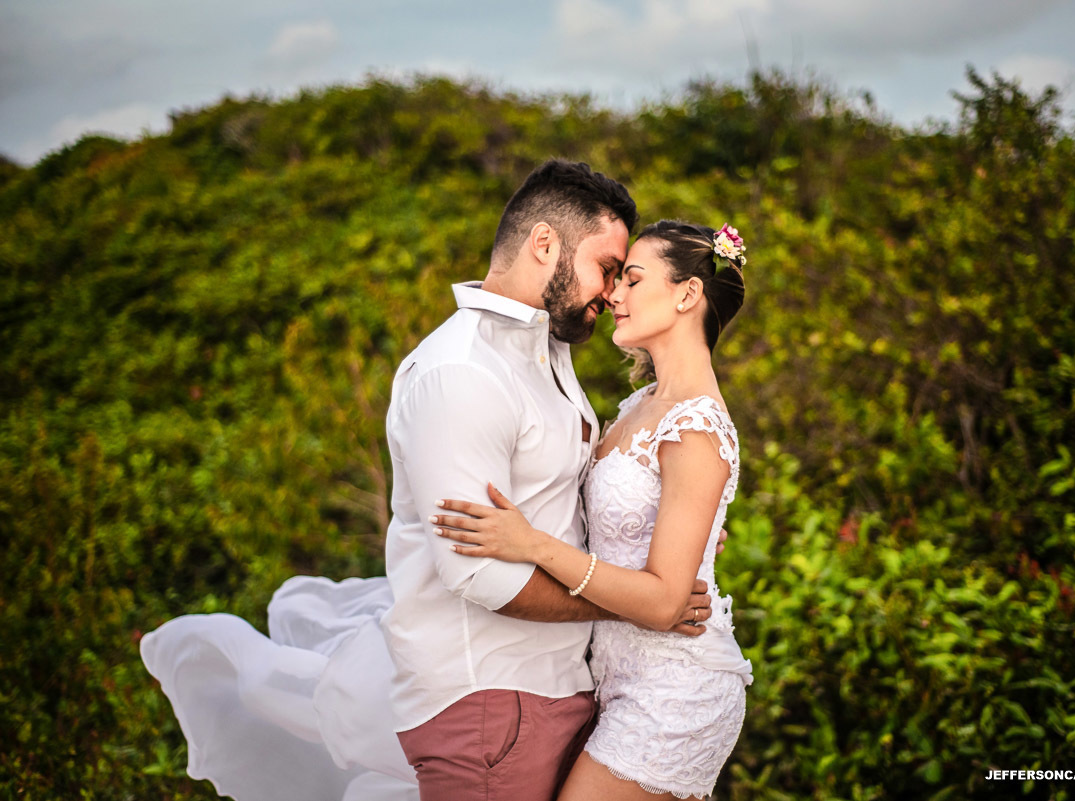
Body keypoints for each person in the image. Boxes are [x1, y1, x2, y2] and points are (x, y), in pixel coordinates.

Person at [139, 161, 719, 801]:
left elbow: (586, 504)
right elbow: (478, 573)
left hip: (562, 690)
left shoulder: (547, 356)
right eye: (609, 268)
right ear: (545, 245)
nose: (611, 292)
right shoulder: (462, 372)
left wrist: (658, 555)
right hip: (493, 702)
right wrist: (642, 606)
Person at [433, 220, 753, 800]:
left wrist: (531, 544)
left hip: (674, 694)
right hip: (614, 679)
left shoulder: (696, 426)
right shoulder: (639, 405)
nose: (614, 296)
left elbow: (662, 602)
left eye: (632, 279)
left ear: (687, 294)